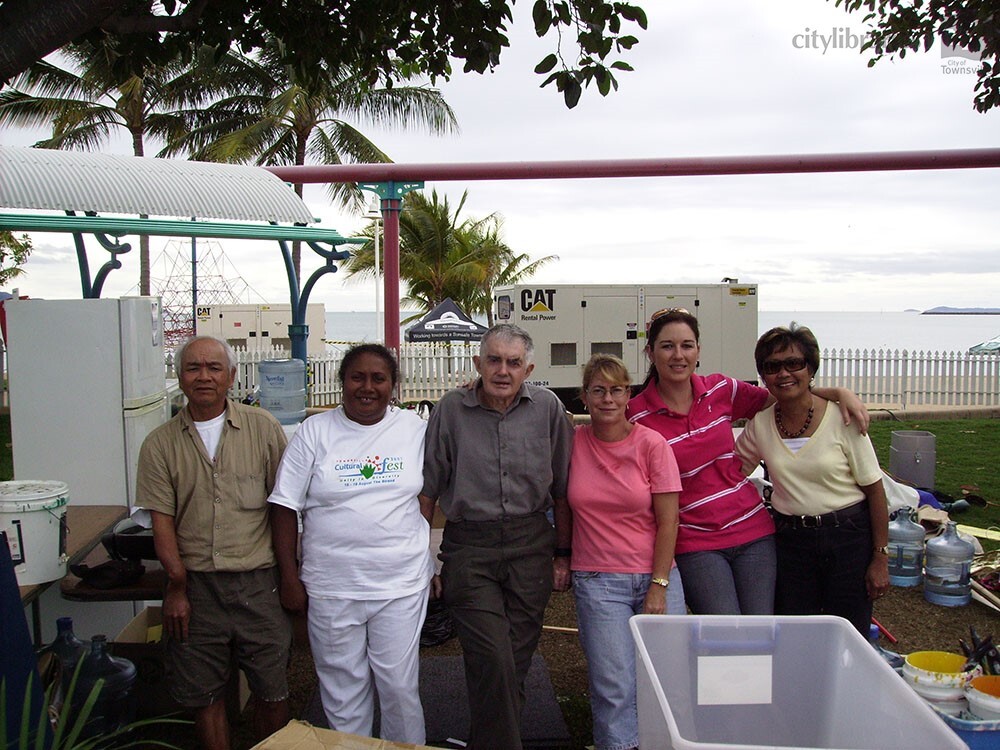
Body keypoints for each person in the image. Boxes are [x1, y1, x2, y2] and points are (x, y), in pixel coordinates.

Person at [627, 308, 869, 615]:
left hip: (753, 530)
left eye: (687, 345)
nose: (678, 355)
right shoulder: (636, 415)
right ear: (650, 352)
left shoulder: (721, 389)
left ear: (698, 350)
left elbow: (786, 396)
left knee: (761, 629)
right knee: (725, 630)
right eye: (667, 346)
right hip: (695, 540)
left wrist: (838, 393)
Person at [267, 344, 433, 743]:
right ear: (342, 382)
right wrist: (289, 577)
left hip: (400, 584)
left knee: (398, 686)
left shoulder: (415, 429)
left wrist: (426, 550)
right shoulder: (315, 432)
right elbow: (284, 507)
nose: (367, 387)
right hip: (331, 586)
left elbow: (432, 491)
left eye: (379, 378)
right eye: (357, 377)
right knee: (343, 691)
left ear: (394, 385)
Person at [420, 323, 573, 750]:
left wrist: (563, 553)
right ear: (477, 364)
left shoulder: (548, 409)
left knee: (514, 663)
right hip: (470, 549)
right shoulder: (450, 410)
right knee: (492, 657)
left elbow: (563, 489)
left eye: (513, 362)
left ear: (529, 368)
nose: (502, 370)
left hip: (531, 547)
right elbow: (428, 491)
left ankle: (484, 740)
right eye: (494, 360)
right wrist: (423, 562)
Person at [136, 336, 290, 750]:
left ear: (232, 376)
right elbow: (162, 521)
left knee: (272, 691)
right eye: (193, 368)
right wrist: (177, 586)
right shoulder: (160, 444)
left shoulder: (263, 429)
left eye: (214, 368)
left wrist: (292, 577)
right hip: (196, 588)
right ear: (180, 377)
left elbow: (285, 507)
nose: (204, 376)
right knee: (204, 697)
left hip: (260, 583)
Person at [735, 324, 890, 636]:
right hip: (791, 542)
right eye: (772, 366)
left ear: (810, 368)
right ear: (763, 375)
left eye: (794, 363)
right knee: (795, 634)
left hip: (848, 538)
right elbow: (730, 472)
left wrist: (880, 557)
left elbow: (875, 491)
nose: (784, 374)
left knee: (848, 634)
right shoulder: (761, 425)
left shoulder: (842, 417)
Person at [567, 354, 681, 750]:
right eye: (598, 390)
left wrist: (659, 585)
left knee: (665, 679)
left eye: (616, 390)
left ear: (628, 394)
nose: (608, 399)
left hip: (655, 576)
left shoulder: (652, 445)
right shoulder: (572, 442)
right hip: (597, 581)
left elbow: (669, 522)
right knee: (613, 685)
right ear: (584, 396)